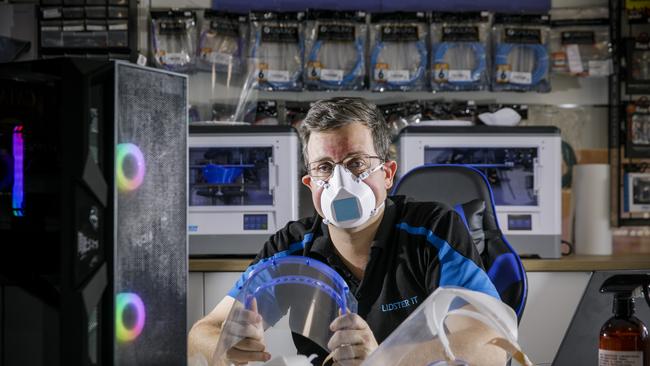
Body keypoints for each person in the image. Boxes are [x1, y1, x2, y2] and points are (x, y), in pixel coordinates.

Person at [188, 97, 506, 366]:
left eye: (355, 163)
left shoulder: (433, 230)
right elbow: (203, 332)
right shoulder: (291, 248)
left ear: (388, 174)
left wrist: (383, 359)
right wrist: (224, 348)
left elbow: (491, 344)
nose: (340, 182)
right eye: (324, 167)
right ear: (310, 183)